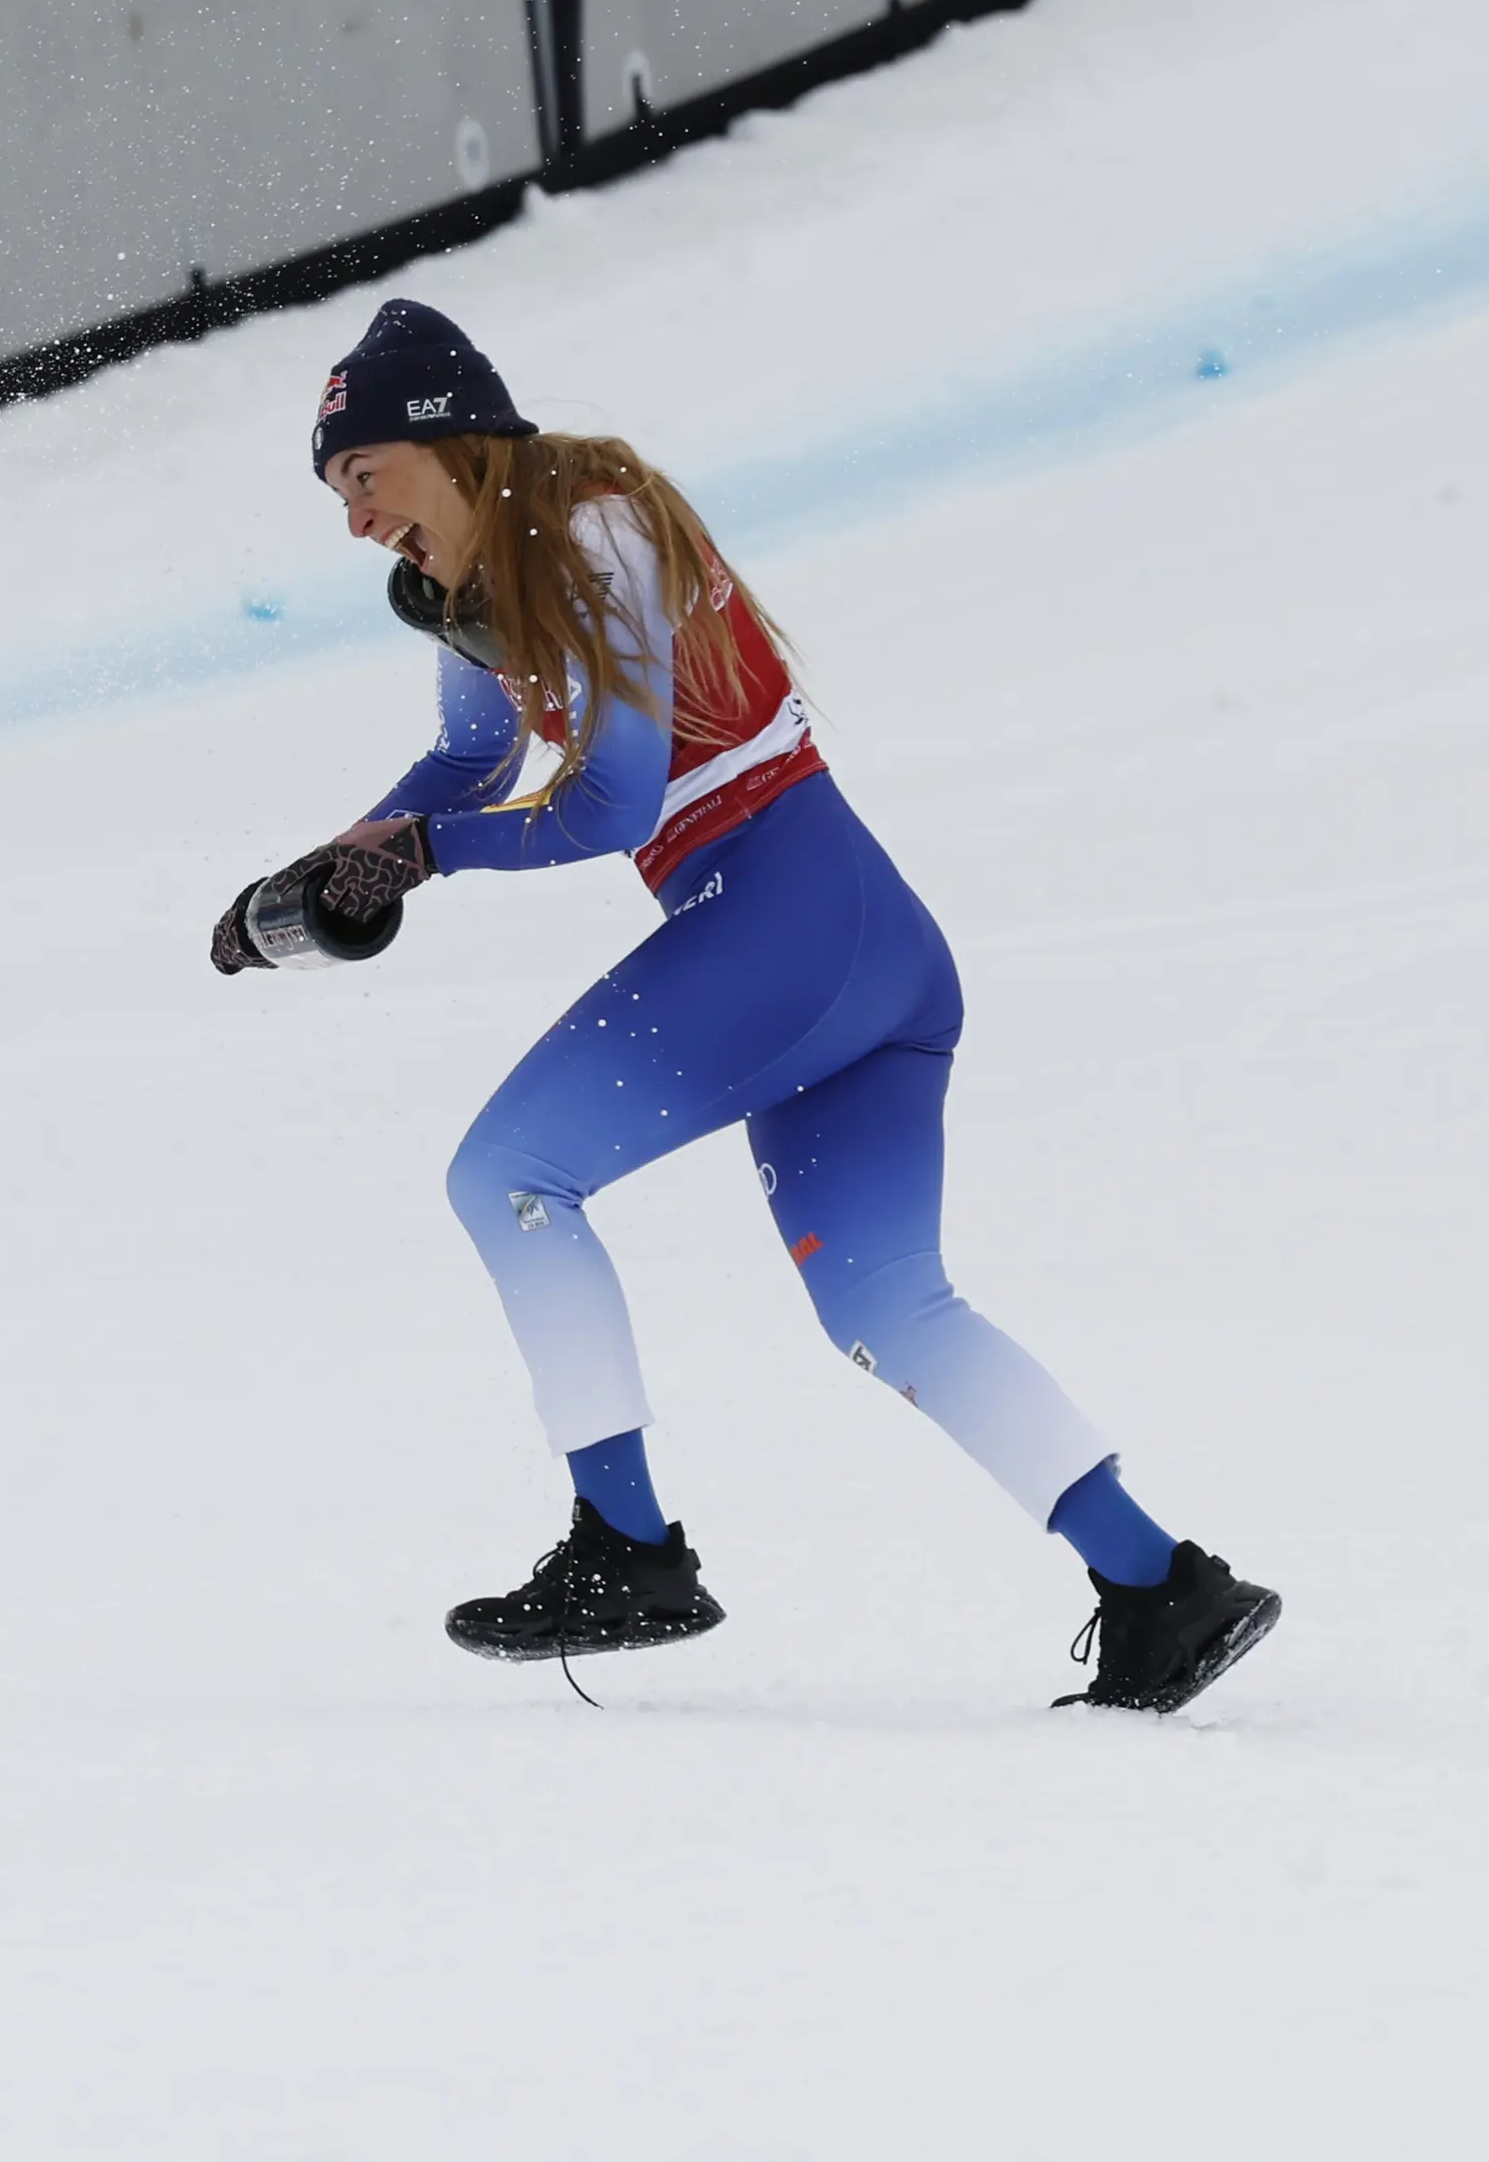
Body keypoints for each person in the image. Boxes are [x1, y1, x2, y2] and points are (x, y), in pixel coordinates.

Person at [214, 300, 1279, 1713]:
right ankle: (1162, 1586)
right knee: (889, 1304)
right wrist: (323, 868)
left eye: (363, 478)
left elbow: (612, 802)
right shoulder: (479, 589)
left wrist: (422, 856)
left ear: (450, 438)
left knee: (508, 1176)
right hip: (862, 948)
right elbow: (464, 764)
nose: (354, 523)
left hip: (788, 927)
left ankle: (628, 1543)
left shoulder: (586, 525)